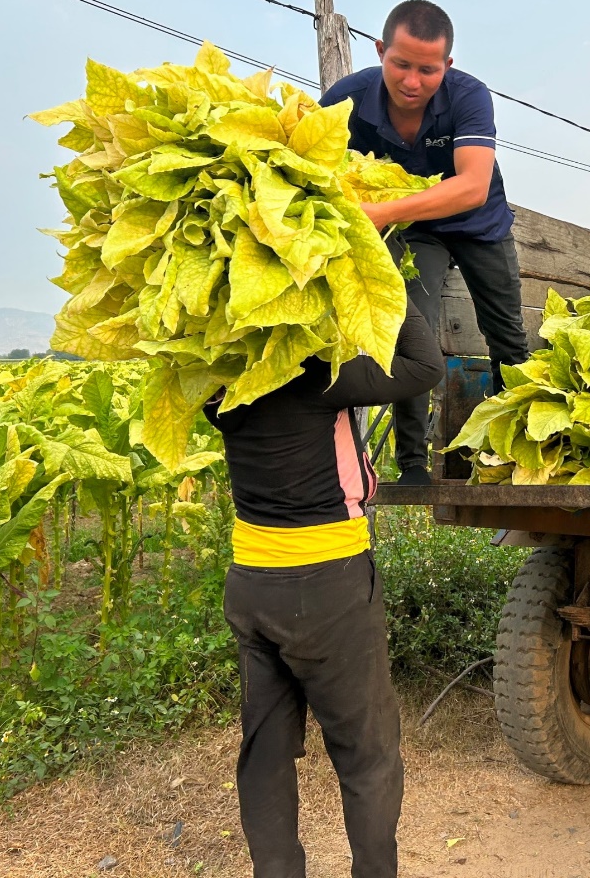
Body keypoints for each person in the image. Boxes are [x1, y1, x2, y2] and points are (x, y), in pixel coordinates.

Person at [205, 298, 445, 878]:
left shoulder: (221, 388)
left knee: (264, 752)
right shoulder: (319, 375)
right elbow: (425, 366)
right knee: (367, 756)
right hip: (327, 586)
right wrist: (380, 270)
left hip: (251, 585)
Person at [320, 0, 528, 485]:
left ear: (447, 66)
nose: (412, 82)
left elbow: (472, 186)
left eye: (428, 70)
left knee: (508, 339)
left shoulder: (468, 96)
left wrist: (384, 212)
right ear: (380, 51)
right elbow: (312, 164)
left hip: (479, 226)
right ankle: (414, 464)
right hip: (417, 234)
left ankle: (515, 454)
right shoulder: (346, 99)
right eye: (401, 64)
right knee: (409, 333)